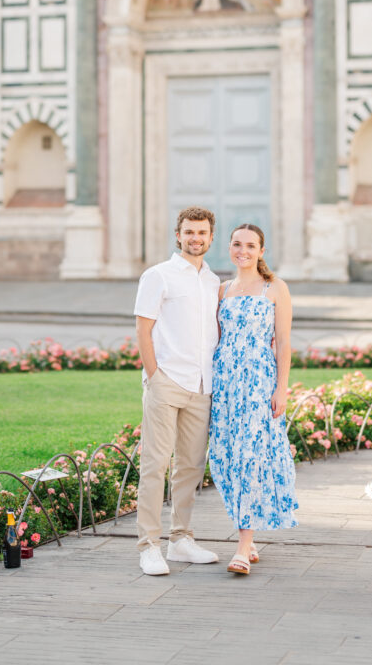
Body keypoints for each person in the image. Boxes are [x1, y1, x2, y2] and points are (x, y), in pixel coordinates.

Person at [134, 206, 221, 576]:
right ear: (178, 234)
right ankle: (148, 546)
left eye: (202, 233)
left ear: (211, 237)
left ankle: (180, 540)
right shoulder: (158, 276)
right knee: (155, 465)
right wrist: (154, 376)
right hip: (167, 381)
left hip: (202, 384)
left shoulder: (214, 281)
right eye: (189, 232)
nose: (195, 238)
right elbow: (143, 330)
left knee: (190, 467)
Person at [209, 223, 298, 575]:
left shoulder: (274, 288)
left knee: (251, 456)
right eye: (236, 244)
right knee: (228, 458)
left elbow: (284, 343)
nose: (242, 250)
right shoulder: (221, 290)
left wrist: (282, 388)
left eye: (250, 245)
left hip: (259, 384)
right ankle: (249, 533)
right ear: (229, 248)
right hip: (225, 385)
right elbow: (214, 340)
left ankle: (243, 546)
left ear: (262, 250)